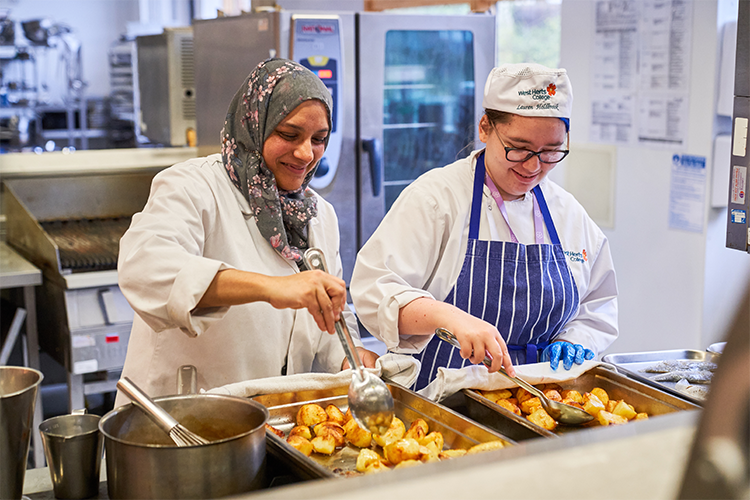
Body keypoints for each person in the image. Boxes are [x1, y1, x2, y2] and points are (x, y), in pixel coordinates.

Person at [115, 58, 377, 404]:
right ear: (253, 124)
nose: (305, 153)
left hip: (277, 424)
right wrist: (272, 288)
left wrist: (349, 357)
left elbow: (328, 318)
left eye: (319, 139)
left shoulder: (318, 215)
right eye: (289, 134)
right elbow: (145, 269)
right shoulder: (193, 186)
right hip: (182, 421)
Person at [350, 63, 618, 392]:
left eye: (550, 151)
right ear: (485, 128)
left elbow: (597, 303)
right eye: (518, 148)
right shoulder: (436, 199)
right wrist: (446, 316)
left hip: (537, 400)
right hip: (441, 400)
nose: (533, 166)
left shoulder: (569, 215)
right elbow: (375, 292)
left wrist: (575, 338)